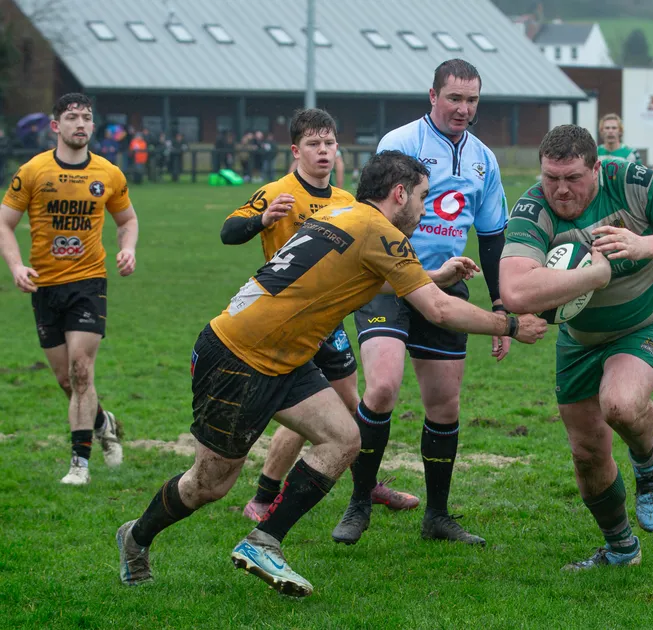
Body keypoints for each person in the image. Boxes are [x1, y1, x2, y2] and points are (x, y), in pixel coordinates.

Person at [115, 151, 547, 597]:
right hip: (238, 356)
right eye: (421, 197)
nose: (424, 208)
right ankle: (136, 537)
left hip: (284, 356)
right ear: (399, 194)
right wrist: (510, 324)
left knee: (344, 439)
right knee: (210, 483)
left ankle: (264, 541)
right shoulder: (379, 230)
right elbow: (437, 311)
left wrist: (431, 275)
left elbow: (361, 277)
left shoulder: (345, 214)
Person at [500, 124, 653, 569]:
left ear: (597, 168)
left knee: (621, 405)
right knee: (586, 453)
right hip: (580, 339)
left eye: (572, 178)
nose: (560, 190)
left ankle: (648, 463)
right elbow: (515, 292)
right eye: (551, 178)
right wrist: (593, 275)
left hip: (650, 319)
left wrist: (645, 244)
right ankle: (621, 549)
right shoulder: (533, 208)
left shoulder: (630, 180)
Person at [331, 59, 511, 547]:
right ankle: (360, 500)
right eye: (454, 98)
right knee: (383, 388)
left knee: (444, 405)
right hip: (387, 281)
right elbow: (373, 217)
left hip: (447, 287)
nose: (463, 108)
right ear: (432, 96)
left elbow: (493, 237)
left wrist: (500, 305)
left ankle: (437, 516)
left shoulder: (484, 160)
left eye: (472, 100)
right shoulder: (401, 142)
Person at [222, 109, 361, 522]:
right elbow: (229, 231)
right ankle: (275, 496)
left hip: (329, 321)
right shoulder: (277, 191)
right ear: (296, 150)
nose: (323, 151)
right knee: (312, 408)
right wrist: (262, 219)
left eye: (329, 143)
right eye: (314, 144)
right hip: (284, 322)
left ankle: (359, 488)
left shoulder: (346, 201)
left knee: (346, 405)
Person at [0, 93, 137, 485]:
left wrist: (127, 249)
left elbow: (127, 220)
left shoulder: (109, 173)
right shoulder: (33, 171)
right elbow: (4, 223)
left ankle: (80, 464)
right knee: (67, 381)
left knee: (81, 370)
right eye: (72, 117)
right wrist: (15, 266)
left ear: (93, 126)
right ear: (55, 126)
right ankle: (102, 421)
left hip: (89, 282)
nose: (81, 123)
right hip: (45, 286)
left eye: (87, 117)